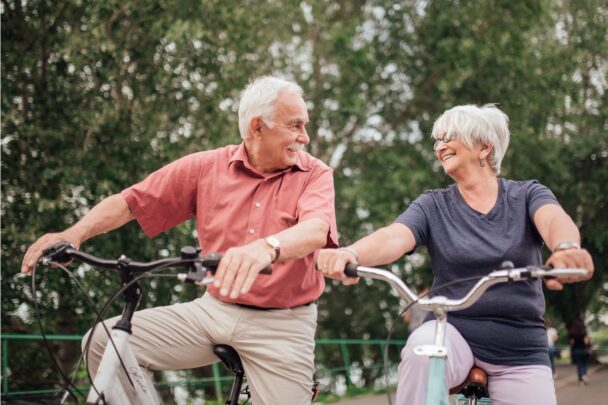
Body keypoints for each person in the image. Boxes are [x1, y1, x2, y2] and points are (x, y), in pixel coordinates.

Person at [21, 76, 338, 404]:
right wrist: (74, 234)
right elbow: (131, 202)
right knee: (102, 342)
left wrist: (267, 248)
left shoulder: (314, 173)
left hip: (283, 324)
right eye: (295, 126)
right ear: (257, 128)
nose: (305, 137)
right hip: (214, 310)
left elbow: (315, 230)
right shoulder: (206, 167)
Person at [317, 104, 594, 405]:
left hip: (519, 346)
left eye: (449, 136)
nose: (440, 146)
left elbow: (555, 220)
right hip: (453, 332)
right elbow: (393, 236)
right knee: (422, 350)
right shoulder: (433, 206)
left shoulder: (526, 195)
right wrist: (351, 252)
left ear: (484, 147)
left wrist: (567, 249)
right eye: (437, 140)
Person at [567, 318, 591, 385]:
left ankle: (580, 380)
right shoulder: (583, 332)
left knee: (579, 365)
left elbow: (572, 343)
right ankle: (584, 375)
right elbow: (586, 342)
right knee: (584, 364)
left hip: (576, 350)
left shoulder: (572, 333)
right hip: (583, 350)